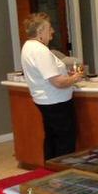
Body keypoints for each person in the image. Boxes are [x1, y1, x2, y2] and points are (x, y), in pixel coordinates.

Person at [20, 12, 84, 161]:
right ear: (40, 31)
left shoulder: (28, 47)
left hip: (45, 101)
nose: (52, 31)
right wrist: (75, 78)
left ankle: (51, 172)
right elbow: (58, 82)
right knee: (64, 142)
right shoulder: (40, 50)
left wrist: (65, 75)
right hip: (56, 103)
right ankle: (63, 175)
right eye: (49, 28)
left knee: (52, 139)